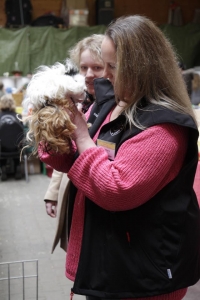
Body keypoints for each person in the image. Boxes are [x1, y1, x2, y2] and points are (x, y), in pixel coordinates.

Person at [38, 15, 200, 300]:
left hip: (141, 276)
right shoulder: (110, 104)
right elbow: (75, 159)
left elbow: (116, 190)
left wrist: (81, 136)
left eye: (111, 66)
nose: (103, 75)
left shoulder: (164, 126)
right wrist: (50, 131)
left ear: (141, 68)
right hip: (109, 265)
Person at [43, 34, 106, 252]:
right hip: (75, 194)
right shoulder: (81, 102)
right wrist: (52, 194)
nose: (89, 75)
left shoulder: (111, 107)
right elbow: (70, 155)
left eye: (97, 67)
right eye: (83, 68)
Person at [0, 94, 24, 180]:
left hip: (2, 149)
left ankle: (3, 168)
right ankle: (17, 167)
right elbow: (22, 133)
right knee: (17, 141)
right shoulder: (19, 116)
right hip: (16, 148)